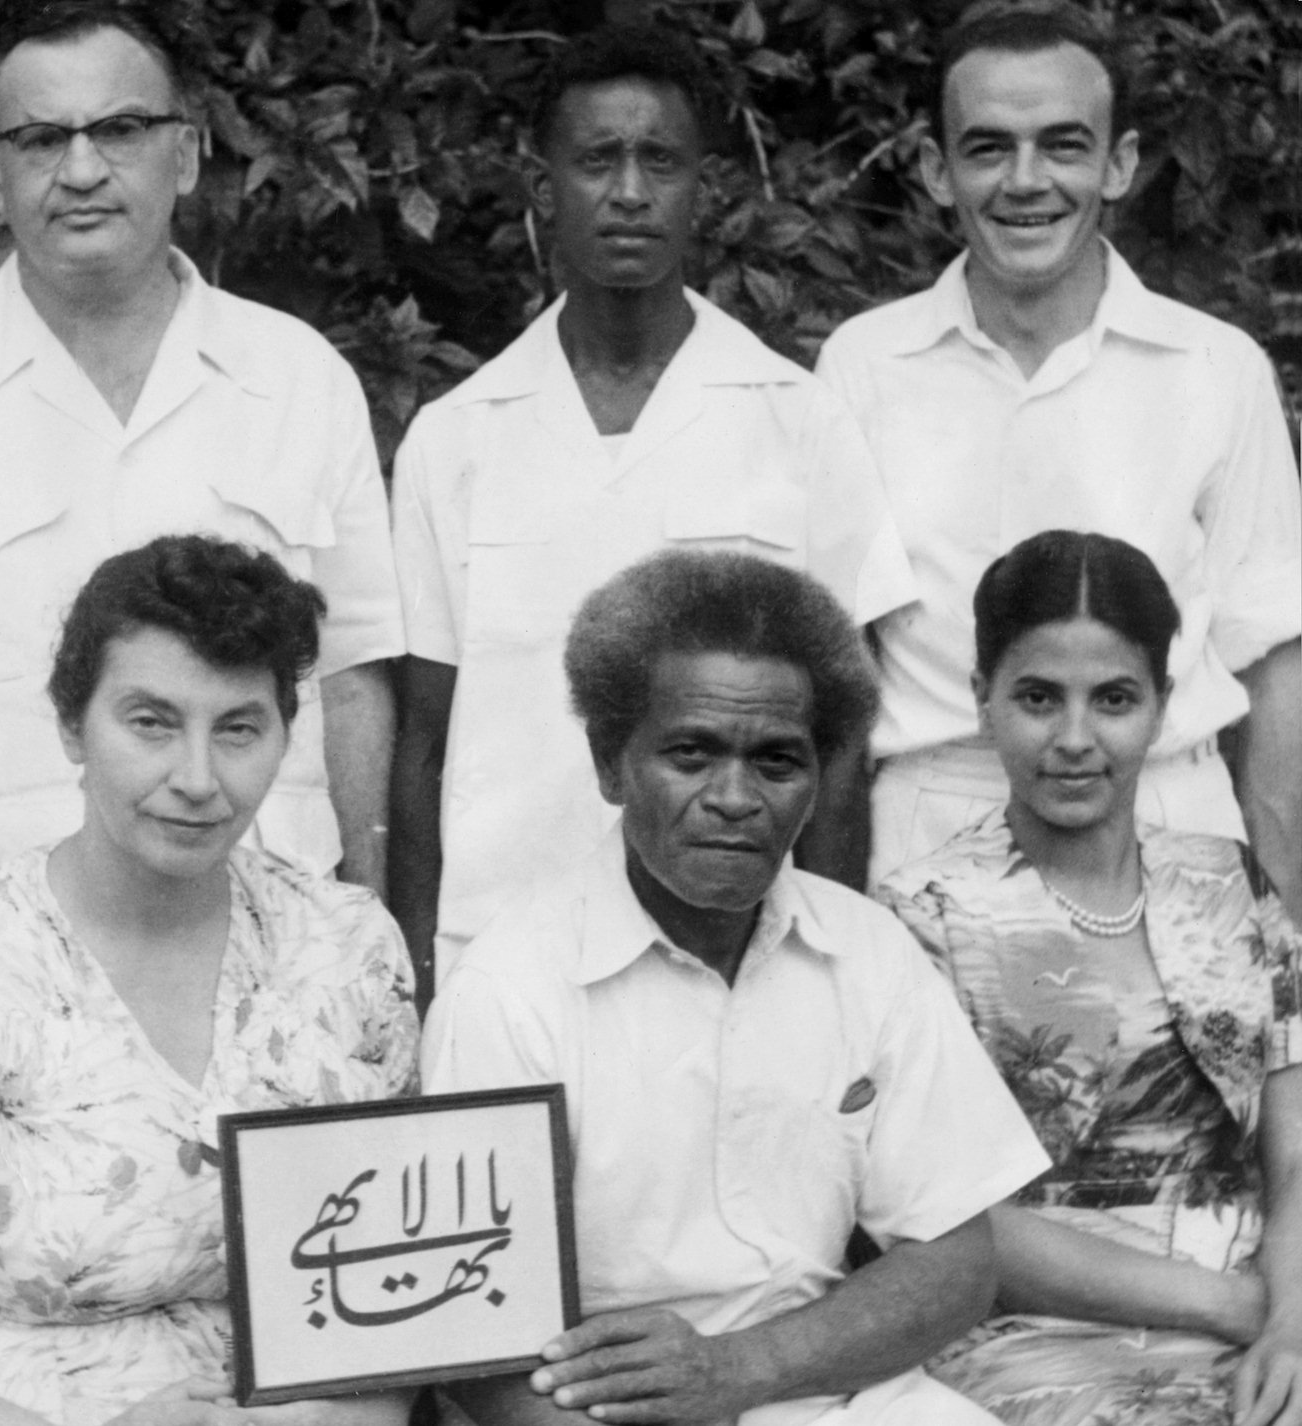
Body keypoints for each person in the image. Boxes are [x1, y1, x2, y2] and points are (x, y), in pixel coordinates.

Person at [0, 0, 405, 997]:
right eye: (42, 139)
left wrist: (367, 944)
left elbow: (350, 678)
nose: (83, 169)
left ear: (186, 154)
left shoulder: (299, 378)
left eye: (120, 129)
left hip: (264, 958)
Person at [0, 535, 418, 1426]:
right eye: (151, 722)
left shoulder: (346, 949)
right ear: (72, 725)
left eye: (238, 728)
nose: (197, 779)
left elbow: (396, 1304)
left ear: (284, 735)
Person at [424, 549, 1048, 1426]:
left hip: (828, 1390)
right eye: (691, 753)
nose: (734, 797)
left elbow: (956, 1261)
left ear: (818, 778)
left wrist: (738, 1369)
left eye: (777, 762)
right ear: (611, 764)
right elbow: (472, 1346)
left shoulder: (867, 953)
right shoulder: (509, 991)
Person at [388, 23, 914, 988]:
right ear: (543, 188)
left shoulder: (798, 420)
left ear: (701, 190)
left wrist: (829, 976)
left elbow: (840, 743)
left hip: (735, 953)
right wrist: (418, 975)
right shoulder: (456, 437)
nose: (629, 192)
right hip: (499, 954)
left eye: (659, 161)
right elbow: (423, 746)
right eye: (597, 160)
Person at [816, 2, 1302, 902]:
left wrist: (1291, 932)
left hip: (1171, 828)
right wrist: (835, 923)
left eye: (1064, 146)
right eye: (988, 148)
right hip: (931, 831)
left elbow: (1277, 675)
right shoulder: (863, 365)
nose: (1026, 181)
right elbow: (835, 668)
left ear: (1119, 163)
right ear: (936, 170)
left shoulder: (1217, 368)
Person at [876, 531, 1302, 1426]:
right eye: (1038, 698)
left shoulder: (1229, 884)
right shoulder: (920, 920)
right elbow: (943, 1219)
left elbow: (1296, 1151)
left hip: (1273, 1312)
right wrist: (1227, 1303)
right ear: (982, 702)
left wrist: (1290, 1323)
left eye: (1113, 699)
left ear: (1162, 707)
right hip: (1036, 1338)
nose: (1075, 739)